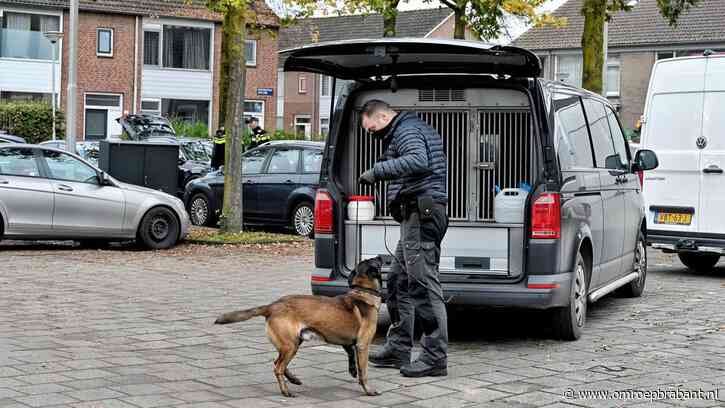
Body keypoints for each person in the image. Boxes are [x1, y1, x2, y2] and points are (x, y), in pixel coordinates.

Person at [357, 100, 449, 378]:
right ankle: (398, 348)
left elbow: (418, 160)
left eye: (372, 128)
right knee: (398, 281)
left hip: (422, 215)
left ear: (383, 117)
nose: (372, 134)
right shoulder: (405, 130)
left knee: (423, 285)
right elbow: (409, 161)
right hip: (415, 215)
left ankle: (435, 358)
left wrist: (377, 172)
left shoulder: (406, 130)